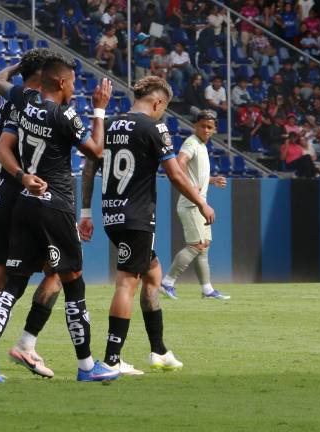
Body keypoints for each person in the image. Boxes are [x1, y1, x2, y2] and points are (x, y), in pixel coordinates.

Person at [0, 56, 119, 383]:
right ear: (61, 84)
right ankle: (86, 366)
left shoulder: (24, 102)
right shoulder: (64, 114)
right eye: (70, 83)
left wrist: (22, 176)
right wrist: (99, 109)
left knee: (14, 284)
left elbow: (2, 148)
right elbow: (96, 151)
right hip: (55, 205)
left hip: (25, 200)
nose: (73, 89)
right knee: (73, 281)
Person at [80, 76, 215, 374]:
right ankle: (112, 360)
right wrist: (201, 202)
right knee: (127, 282)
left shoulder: (111, 124)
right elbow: (177, 175)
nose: (161, 114)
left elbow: (90, 165)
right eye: (162, 109)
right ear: (157, 103)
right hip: (137, 217)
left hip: (112, 214)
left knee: (153, 273)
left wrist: (86, 211)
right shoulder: (155, 127)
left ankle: (159, 350)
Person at [0, 49, 61, 380]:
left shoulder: (11, 99)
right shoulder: (35, 103)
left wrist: (16, 67)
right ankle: (26, 343)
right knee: (57, 270)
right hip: (19, 196)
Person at [161, 110, 230, 301]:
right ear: (195, 126)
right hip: (191, 204)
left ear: (215, 129)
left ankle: (207, 290)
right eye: (203, 126)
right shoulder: (191, 142)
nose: (206, 130)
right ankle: (167, 282)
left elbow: (195, 174)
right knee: (197, 245)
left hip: (198, 203)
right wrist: (189, 185)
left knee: (204, 246)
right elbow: (179, 162)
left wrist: (212, 180)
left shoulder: (201, 145)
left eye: (210, 127)